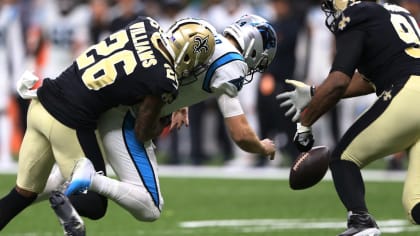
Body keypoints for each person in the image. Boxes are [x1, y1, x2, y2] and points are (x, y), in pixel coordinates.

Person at [23, 15, 277, 234]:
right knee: (150, 207)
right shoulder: (234, 66)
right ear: (255, 49)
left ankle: (20, 199)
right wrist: (262, 147)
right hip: (130, 116)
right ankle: (91, 179)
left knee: (53, 180)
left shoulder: (203, 28)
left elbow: (168, 59)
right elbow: (241, 134)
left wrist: (180, 103)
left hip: (110, 98)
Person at [0, 16, 216, 235]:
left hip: (40, 103)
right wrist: (164, 120)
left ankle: (65, 191)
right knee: (95, 204)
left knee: (23, 193)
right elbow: (142, 132)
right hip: (67, 122)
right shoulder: (163, 78)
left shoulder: (145, 24)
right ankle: (67, 195)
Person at [277, 0, 420, 235]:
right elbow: (365, 80)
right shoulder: (393, 11)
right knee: (415, 205)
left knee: (343, 158)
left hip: (408, 93)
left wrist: (305, 122)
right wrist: (315, 92)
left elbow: (339, 80)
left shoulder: (356, 13)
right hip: (412, 90)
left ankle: (360, 222)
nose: (332, 13)